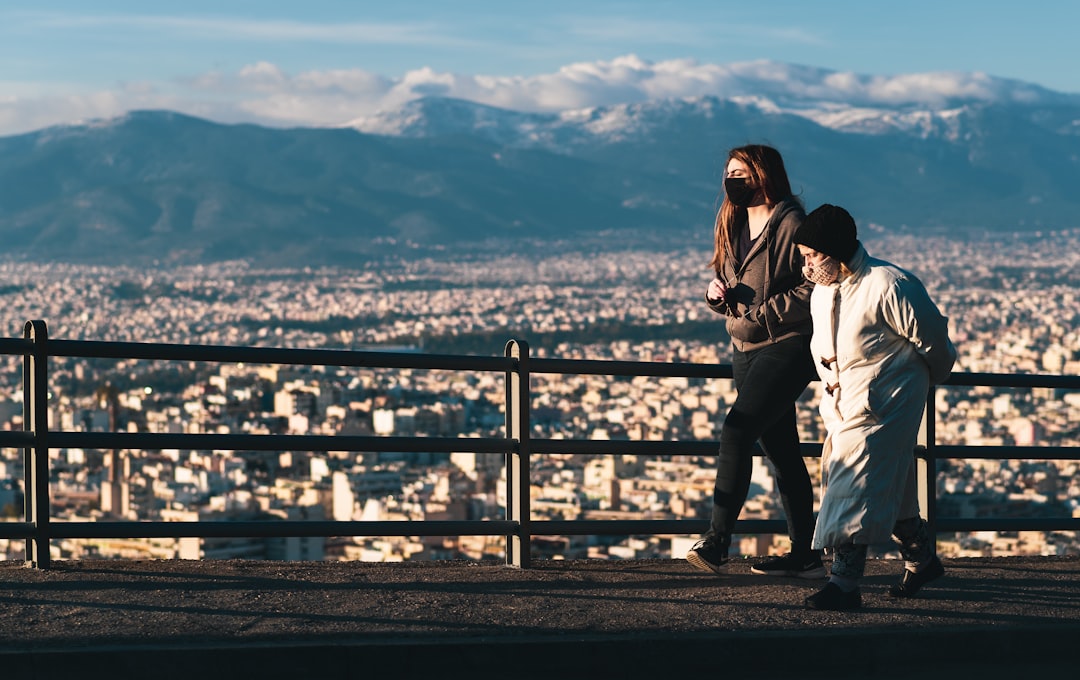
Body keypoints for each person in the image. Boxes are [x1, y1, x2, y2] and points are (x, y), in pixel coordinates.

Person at [794, 204, 957, 611]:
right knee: (892, 486)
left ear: (835, 250)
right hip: (844, 404)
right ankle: (922, 561)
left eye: (813, 255)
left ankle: (844, 584)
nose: (808, 265)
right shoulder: (824, 291)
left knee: (851, 484)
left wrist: (912, 388)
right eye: (805, 257)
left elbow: (935, 344)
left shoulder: (889, 284)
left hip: (885, 404)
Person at [686, 144, 823, 579]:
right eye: (729, 172)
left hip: (787, 343)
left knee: (737, 431)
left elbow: (815, 284)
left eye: (741, 172)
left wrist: (764, 315)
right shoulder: (732, 219)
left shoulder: (791, 223)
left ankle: (717, 541)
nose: (732, 180)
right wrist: (715, 297)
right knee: (781, 450)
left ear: (764, 175)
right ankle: (806, 553)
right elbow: (731, 281)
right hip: (744, 346)